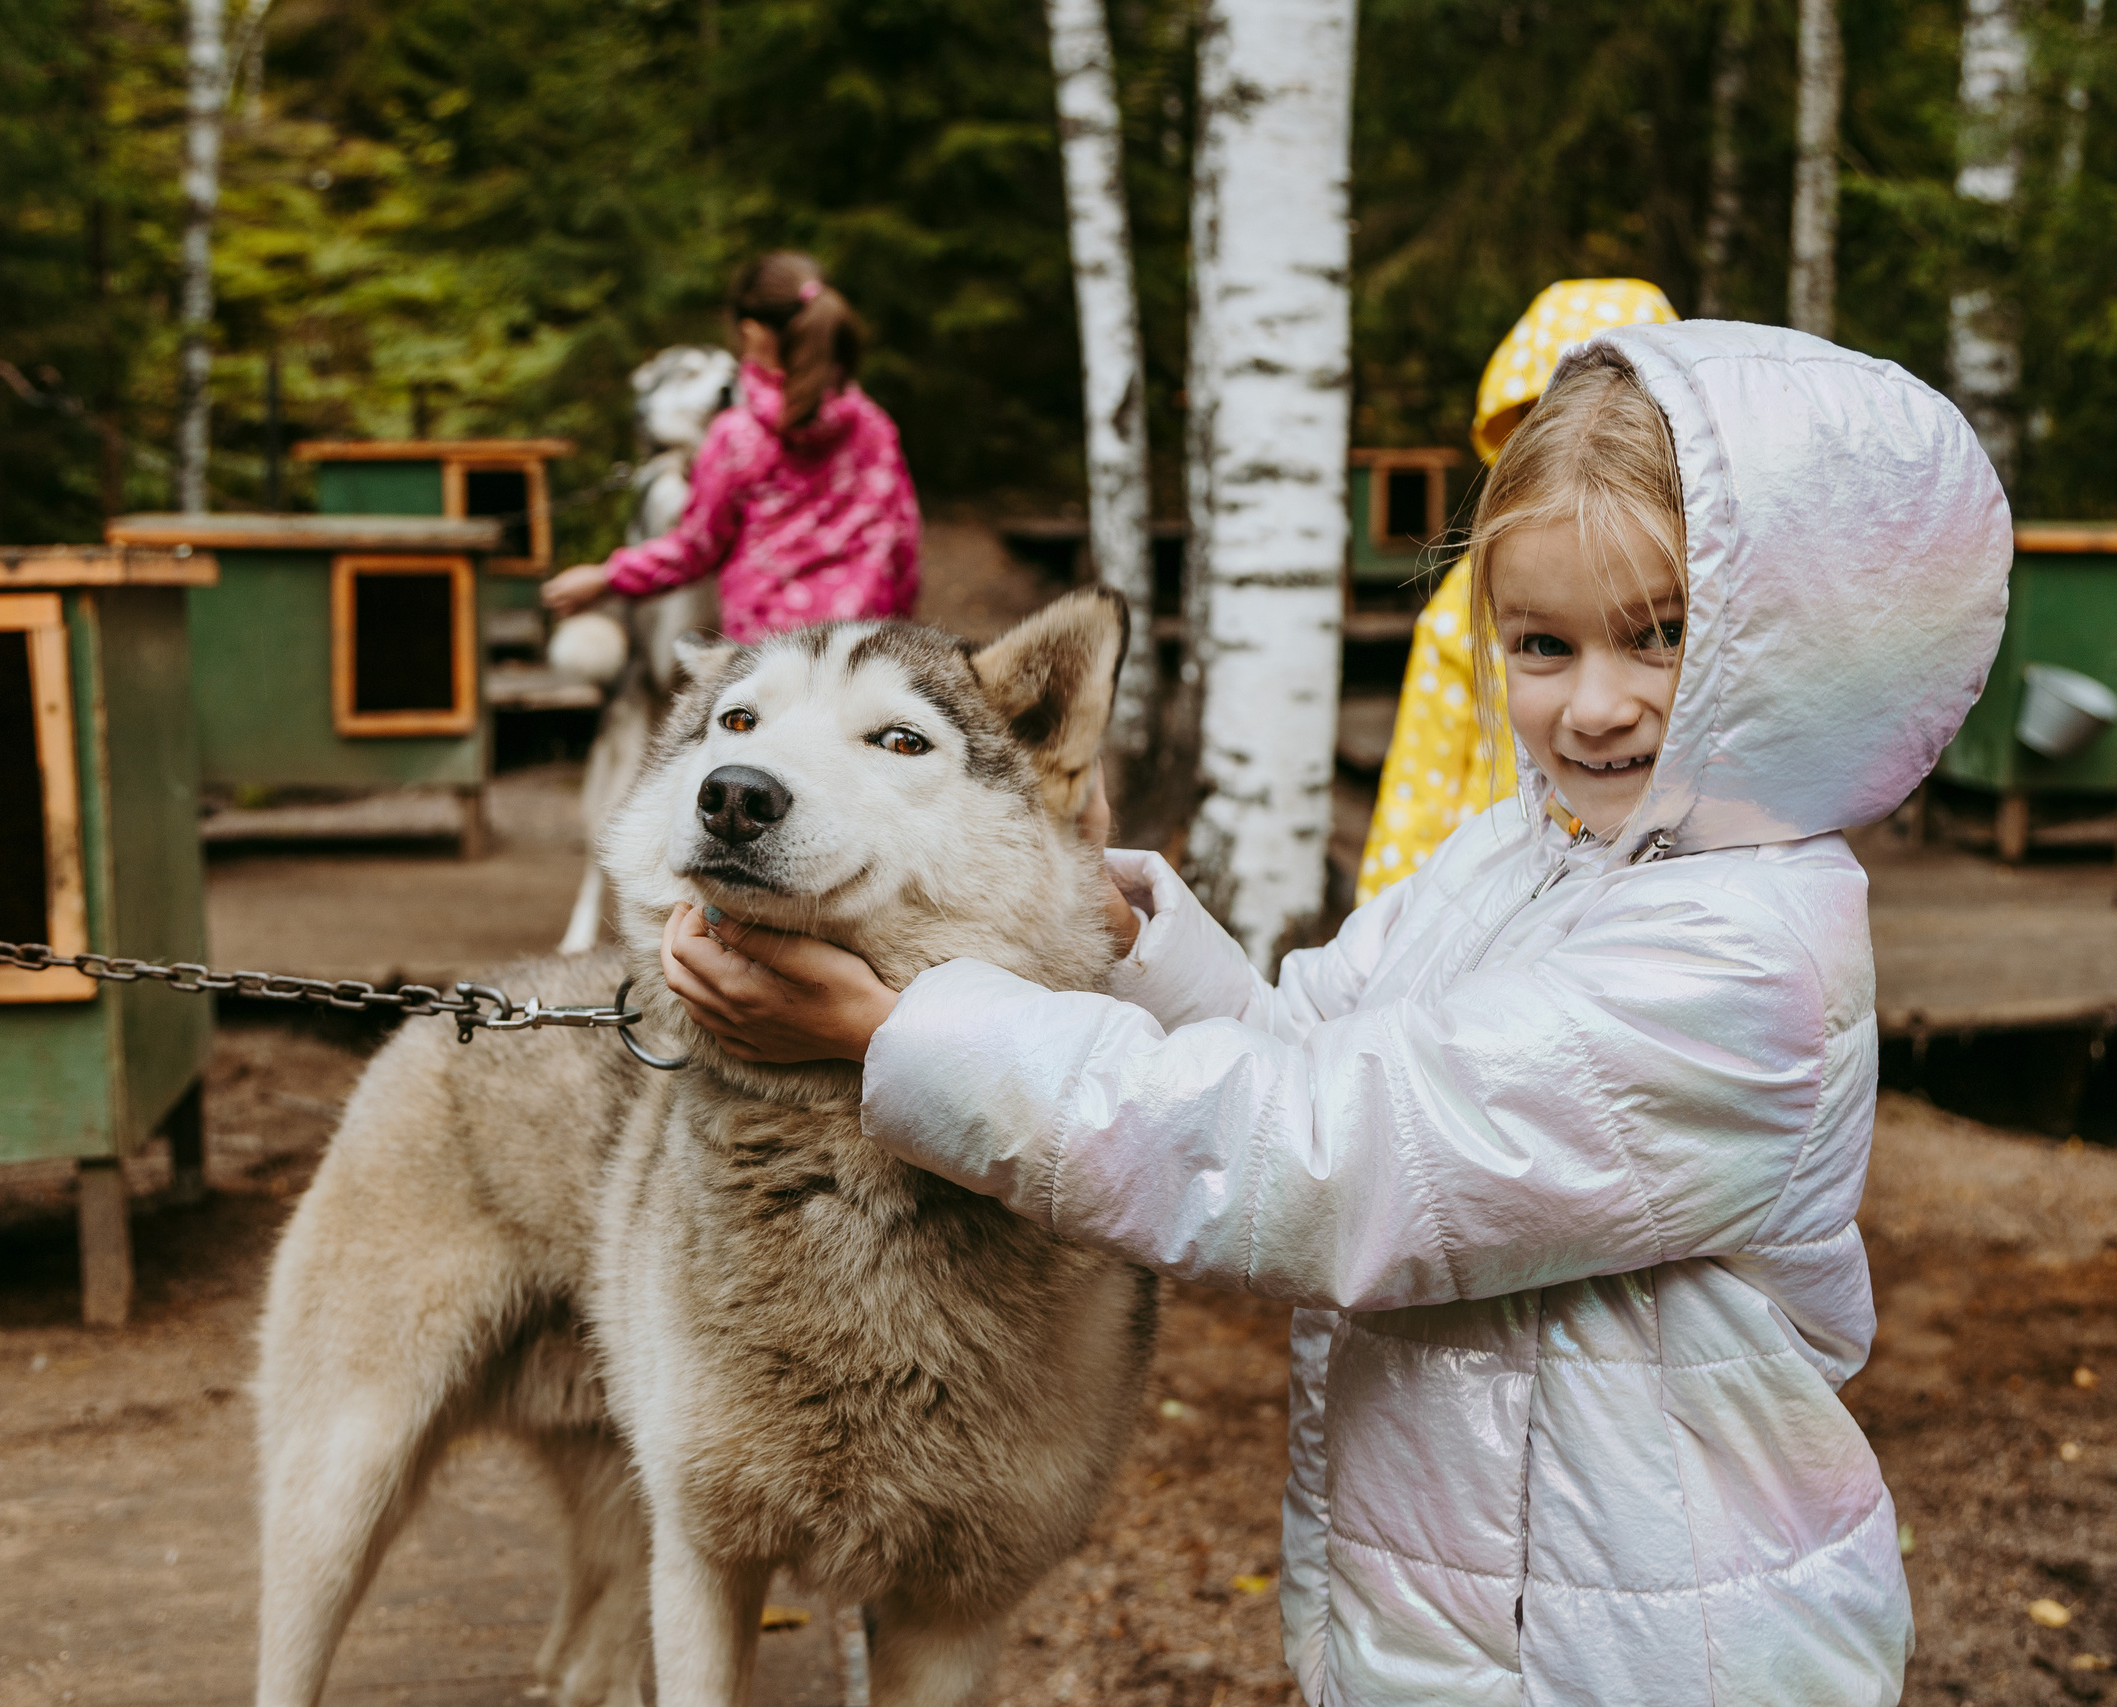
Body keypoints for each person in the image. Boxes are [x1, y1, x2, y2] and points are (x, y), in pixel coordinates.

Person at [657, 322, 2011, 1705]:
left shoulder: (1745, 963)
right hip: (1466, 1607)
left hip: (1659, 1649)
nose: (1595, 705)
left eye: (1662, 637)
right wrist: (1109, 931)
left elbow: (1327, 1156)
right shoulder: (1523, 853)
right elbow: (1298, 1049)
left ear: (1798, 644)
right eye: (1542, 643)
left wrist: (895, 1034)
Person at [1360, 276, 1677, 905]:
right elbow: (1423, 774)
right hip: (1497, 888)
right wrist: (1397, 910)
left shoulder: (1707, 564)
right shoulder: (1466, 596)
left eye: (1664, 633)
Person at [542, 252, 920, 637]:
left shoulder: (739, 436)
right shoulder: (874, 426)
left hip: (771, 656)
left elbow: (694, 550)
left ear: (753, 330)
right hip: (867, 649)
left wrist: (606, 578)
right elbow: (904, 545)